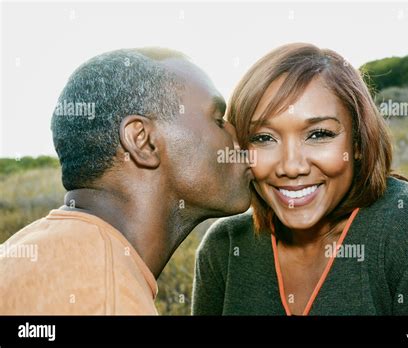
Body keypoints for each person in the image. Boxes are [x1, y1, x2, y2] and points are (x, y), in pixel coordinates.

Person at [192, 43, 408, 315]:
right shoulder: (225, 248)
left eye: (318, 134)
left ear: (359, 143)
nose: (292, 166)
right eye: (264, 138)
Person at [0, 48, 252, 314]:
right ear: (143, 141)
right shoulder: (108, 300)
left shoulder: (26, 253)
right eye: (217, 120)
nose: (240, 139)